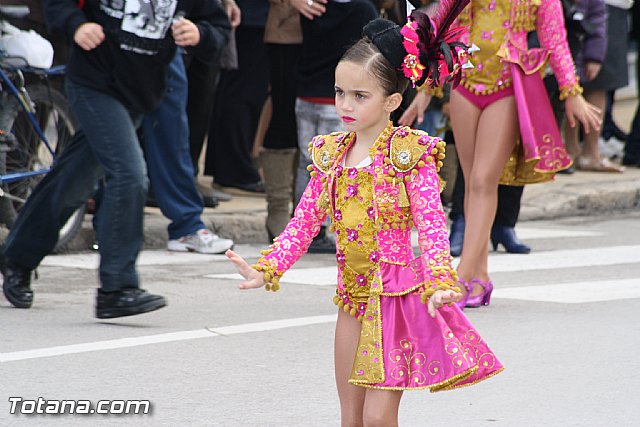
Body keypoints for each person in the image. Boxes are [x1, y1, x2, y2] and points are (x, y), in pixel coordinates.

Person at [226, 11, 503, 425]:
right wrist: (268, 267)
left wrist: (442, 281)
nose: (344, 105)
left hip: (393, 301)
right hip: (350, 302)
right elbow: (303, 222)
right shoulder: (330, 153)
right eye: (340, 92)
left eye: (360, 95)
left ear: (392, 101)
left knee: (377, 419)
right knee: (350, 418)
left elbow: (431, 224)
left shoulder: (410, 153)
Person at [1, 0, 230, 318]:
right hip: (94, 82)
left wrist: (200, 34)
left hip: (139, 92)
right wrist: (76, 25)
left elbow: (218, 27)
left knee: (75, 181)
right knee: (131, 175)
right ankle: (117, 288)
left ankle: (16, 256)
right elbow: (58, 4)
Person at [448, 0, 602, 308]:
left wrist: (571, 92)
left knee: (482, 180)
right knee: (471, 179)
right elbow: (448, 28)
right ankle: (479, 276)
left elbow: (555, 38)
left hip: (507, 83)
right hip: (464, 81)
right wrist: (425, 93)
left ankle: (462, 274)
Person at [292, 0, 378, 253]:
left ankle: (305, 230)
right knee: (337, 166)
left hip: (305, 95)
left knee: (307, 163)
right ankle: (331, 228)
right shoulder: (363, 9)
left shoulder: (313, 5)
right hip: (339, 99)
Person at [142, 51, 235, 255]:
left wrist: (201, 30)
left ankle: (187, 226)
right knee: (111, 152)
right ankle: (111, 225)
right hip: (116, 42)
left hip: (163, 42)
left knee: (173, 137)